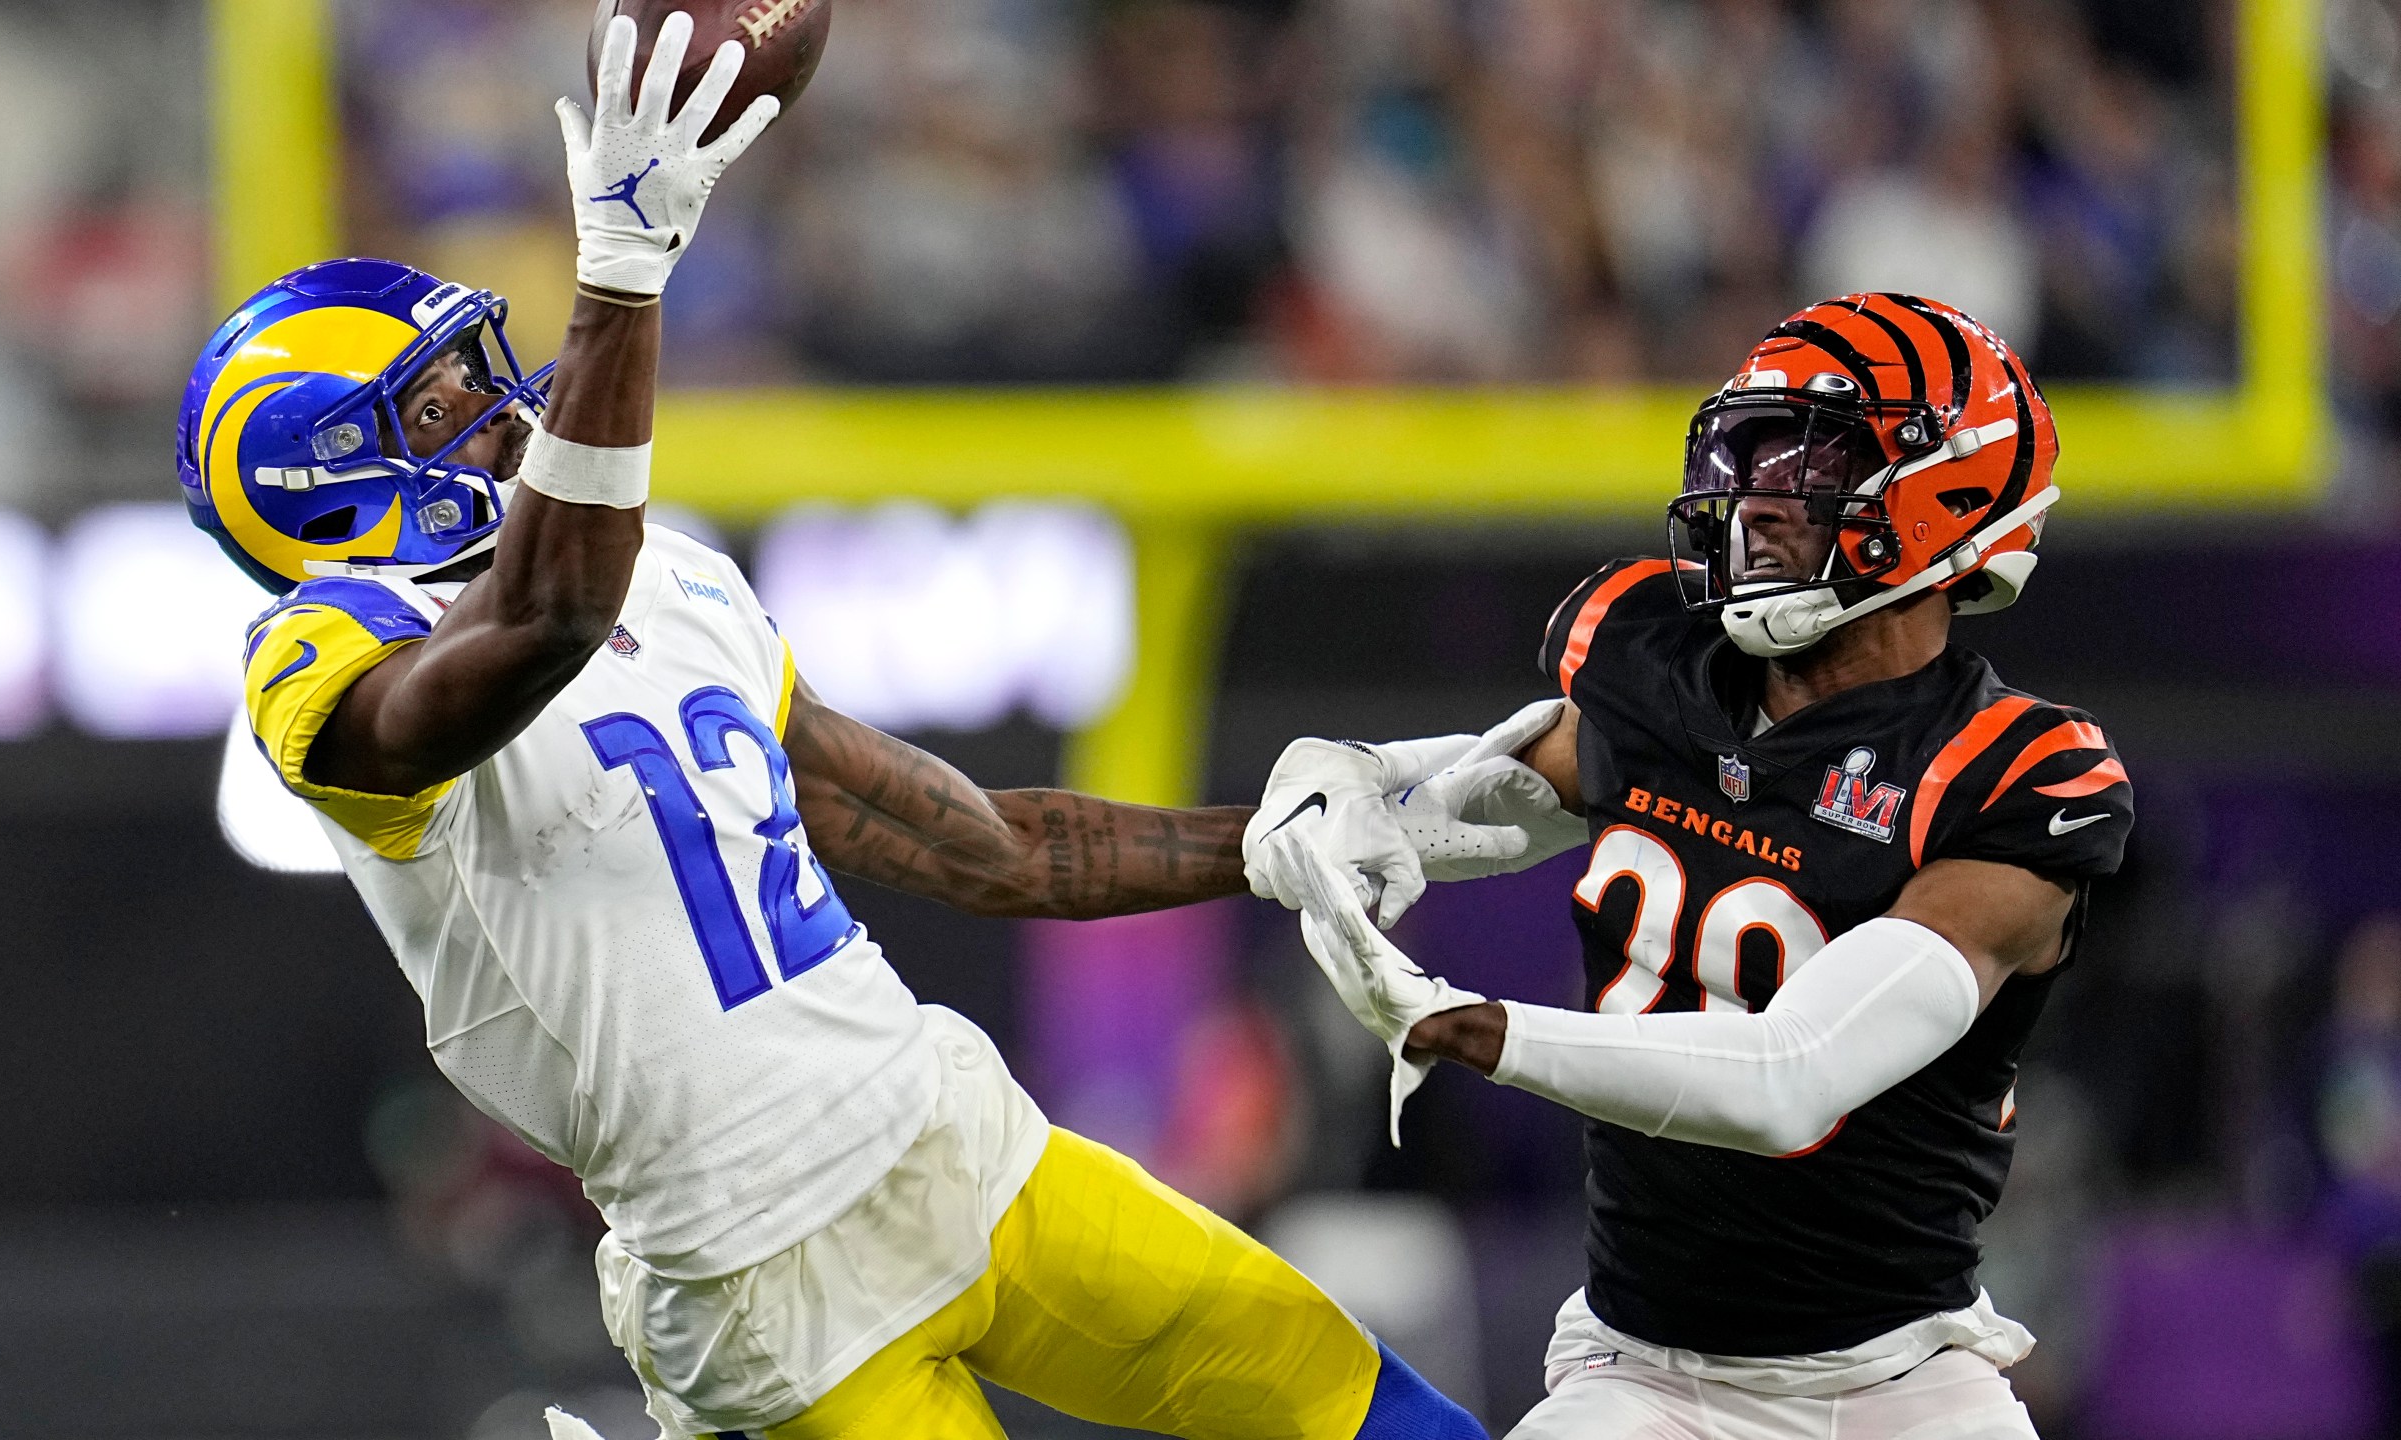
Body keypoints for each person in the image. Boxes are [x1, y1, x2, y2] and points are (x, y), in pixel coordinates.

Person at [177, 18, 1492, 1440]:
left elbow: (988, 847)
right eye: (438, 409)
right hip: (760, 1278)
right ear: (316, 486)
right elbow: (540, 624)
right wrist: (624, 271)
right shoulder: (316, 661)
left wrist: (1280, 847)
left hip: (949, 1138)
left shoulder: (668, 574)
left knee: (1359, 1406)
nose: (501, 415)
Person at [1247, 293, 2132, 1440]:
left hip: (1900, 1388)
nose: (1760, 501)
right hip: (1640, 1376)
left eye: (1810, 463)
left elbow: (1790, 1075)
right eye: (1753, 457)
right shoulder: (1661, 670)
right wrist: (1343, 782)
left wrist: (1465, 1026)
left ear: (1942, 492)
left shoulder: (2008, 768)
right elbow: (1450, 811)